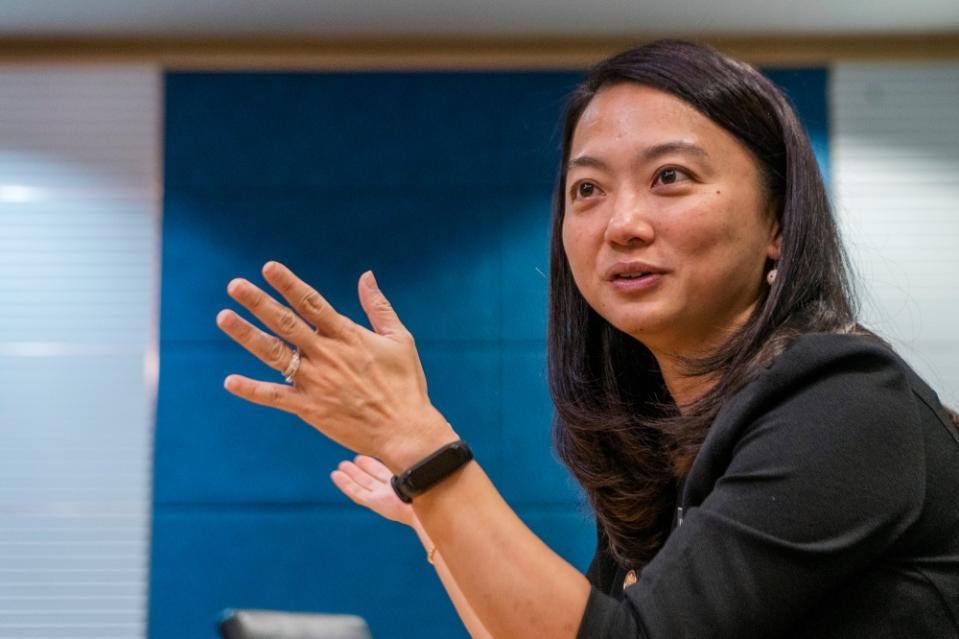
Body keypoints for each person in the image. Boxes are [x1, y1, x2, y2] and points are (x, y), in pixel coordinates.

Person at [215, 40, 959, 638]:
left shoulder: (845, 400)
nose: (620, 222)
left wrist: (421, 444)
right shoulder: (659, 436)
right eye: (587, 189)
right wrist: (433, 514)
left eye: (669, 177)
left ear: (777, 224)